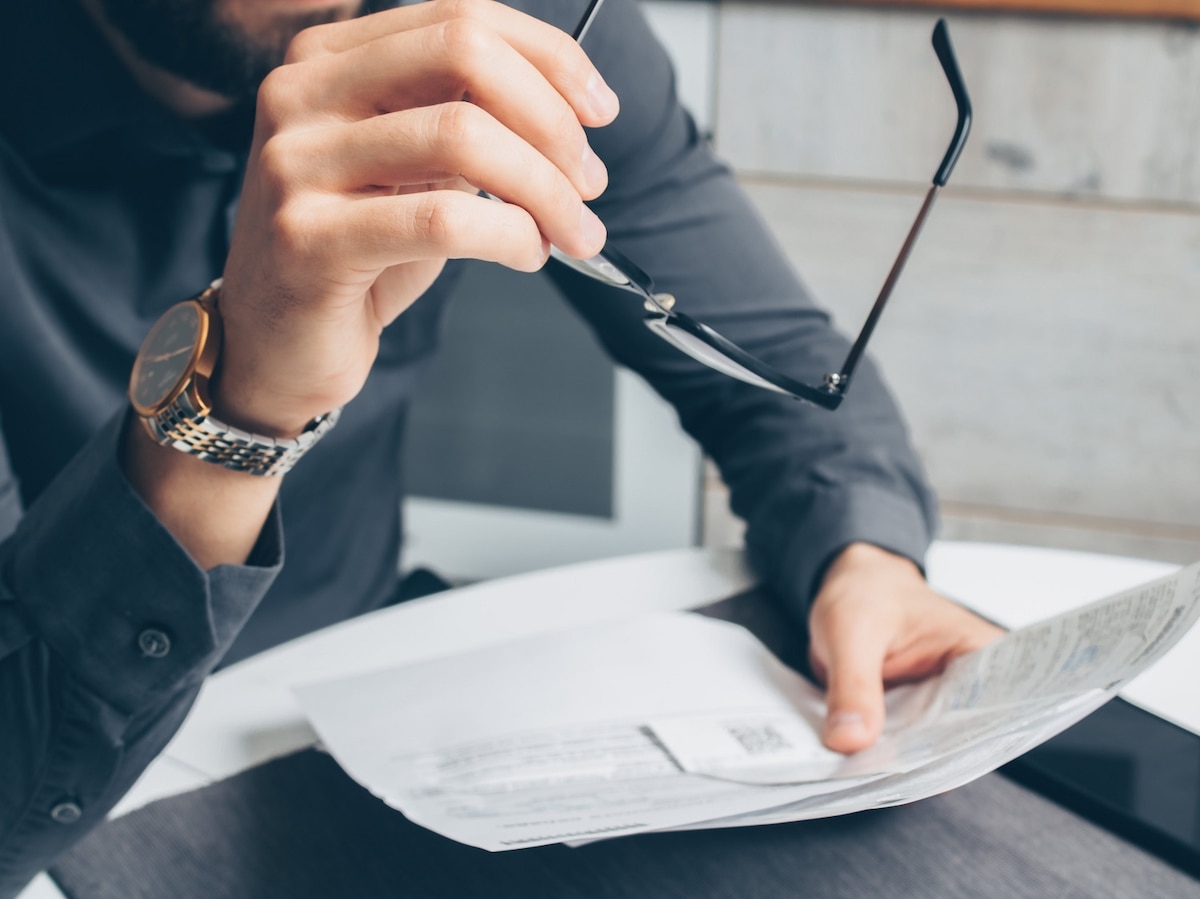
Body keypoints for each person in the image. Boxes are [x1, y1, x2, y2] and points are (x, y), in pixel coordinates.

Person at [0, 0, 1001, 891]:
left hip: (352, 704)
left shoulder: (514, 23)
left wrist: (863, 554)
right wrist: (240, 401)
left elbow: (783, 374)